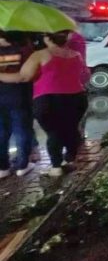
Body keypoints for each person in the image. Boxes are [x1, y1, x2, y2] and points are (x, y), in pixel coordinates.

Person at [0, 31, 89, 177]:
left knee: (53, 133)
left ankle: (56, 166)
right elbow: (85, 74)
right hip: (77, 97)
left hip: (48, 99)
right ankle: (70, 159)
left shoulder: (40, 55)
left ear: (47, 38)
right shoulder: (76, 54)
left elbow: (24, 76)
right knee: (71, 129)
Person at [0, 30, 34, 178]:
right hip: (19, 96)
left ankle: (3, 168)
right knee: (22, 130)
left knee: (1, 132)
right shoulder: (24, 50)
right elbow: (24, 76)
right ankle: (22, 165)